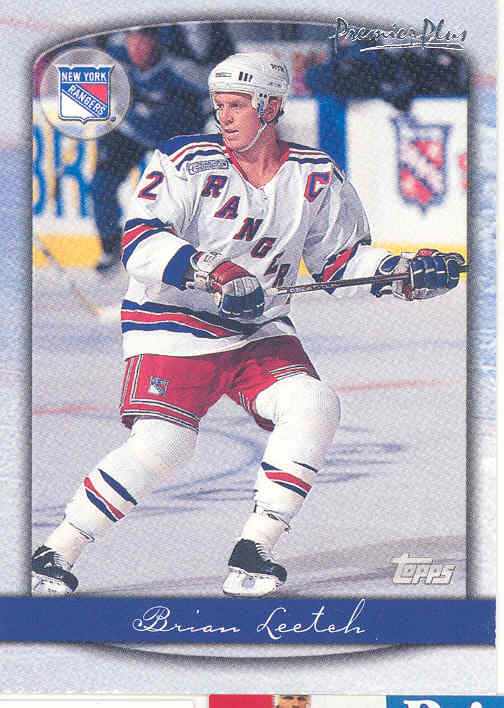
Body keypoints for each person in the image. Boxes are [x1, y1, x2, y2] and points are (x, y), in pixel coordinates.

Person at [32, 52, 464, 597]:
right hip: (173, 321)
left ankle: (254, 548)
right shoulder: (184, 160)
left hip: (258, 327)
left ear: (271, 107)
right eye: (220, 105)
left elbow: (340, 263)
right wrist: (213, 271)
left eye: (237, 105)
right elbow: (140, 241)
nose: (224, 116)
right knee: (164, 445)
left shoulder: (315, 175)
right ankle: (59, 548)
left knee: (313, 403)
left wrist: (403, 272)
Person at [92, 25, 233, 273]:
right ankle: (110, 244)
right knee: (102, 183)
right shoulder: (118, 63)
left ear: (156, 41)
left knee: (179, 198)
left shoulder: (181, 71)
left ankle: (195, 250)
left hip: (173, 140)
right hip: (133, 134)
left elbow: (217, 95)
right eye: (131, 39)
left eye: (143, 40)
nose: (136, 47)